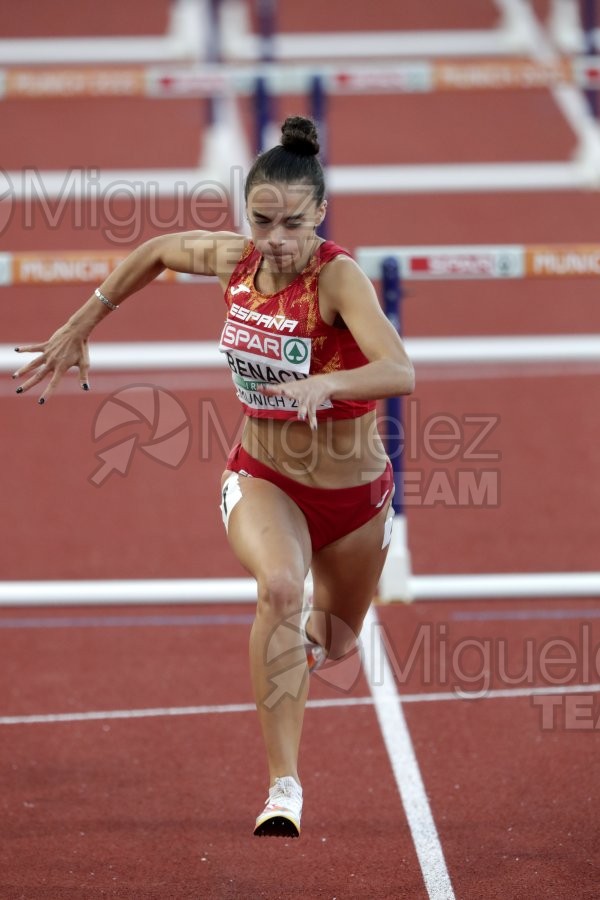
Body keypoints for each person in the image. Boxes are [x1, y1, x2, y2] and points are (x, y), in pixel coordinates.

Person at [13, 115, 415, 838]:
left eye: (293, 225)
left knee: (340, 639)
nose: (276, 241)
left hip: (355, 502)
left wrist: (328, 385)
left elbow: (401, 370)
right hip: (264, 476)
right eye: (262, 222)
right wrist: (82, 323)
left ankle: (313, 645)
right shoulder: (234, 259)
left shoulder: (339, 278)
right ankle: (282, 787)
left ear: (320, 215)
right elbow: (158, 250)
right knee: (281, 589)